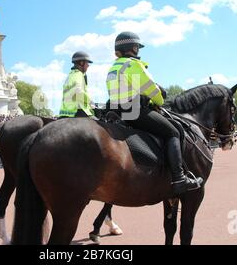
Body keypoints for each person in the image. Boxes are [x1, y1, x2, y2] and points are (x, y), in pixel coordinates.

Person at [106, 31, 203, 195]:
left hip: (117, 112)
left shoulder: (113, 68)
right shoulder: (132, 65)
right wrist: (158, 100)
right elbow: (152, 89)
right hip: (134, 111)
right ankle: (179, 179)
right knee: (173, 131)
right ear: (133, 48)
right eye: (137, 47)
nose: (138, 50)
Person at [59, 51, 95, 118]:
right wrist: (91, 102)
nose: (88, 65)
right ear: (81, 63)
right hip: (77, 112)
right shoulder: (78, 74)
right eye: (87, 63)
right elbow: (78, 91)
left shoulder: (71, 75)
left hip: (65, 113)